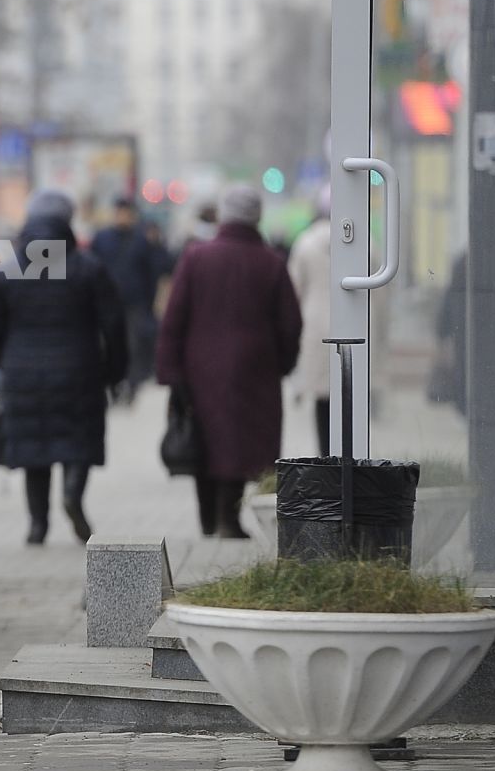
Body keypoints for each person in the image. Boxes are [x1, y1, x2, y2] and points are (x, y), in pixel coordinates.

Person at [156, 183, 302, 539]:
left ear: (224, 215)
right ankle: (228, 517)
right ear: (257, 217)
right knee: (240, 442)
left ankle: (209, 518)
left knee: (205, 438)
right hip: (256, 366)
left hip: (199, 366)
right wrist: (281, 364)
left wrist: (171, 372)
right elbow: (290, 322)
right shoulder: (271, 262)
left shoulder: (196, 257)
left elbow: (174, 317)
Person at [0, 190, 127, 544]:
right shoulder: (88, 267)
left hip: (22, 371)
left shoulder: (7, 270)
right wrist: (115, 371)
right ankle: (72, 497)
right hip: (80, 369)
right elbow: (114, 324)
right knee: (78, 441)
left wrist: (6, 361)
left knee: (34, 448)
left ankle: (37, 523)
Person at [90, 198, 171, 404]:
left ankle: (131, 385)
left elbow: (151, 271)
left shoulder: (140, 240)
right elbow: (92, 268)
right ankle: (115, 384)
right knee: (109, 345)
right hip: (107, 302)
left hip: (135, 302)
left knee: (133, 345)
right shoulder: (102, 238)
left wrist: (150, 299)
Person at [286, 188, 334, 455]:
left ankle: (325, 455)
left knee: (322, 397)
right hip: (358, 328)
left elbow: (294, 290)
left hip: (315, 325)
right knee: (350, 396)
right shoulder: (365, 242)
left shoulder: (305, 243)